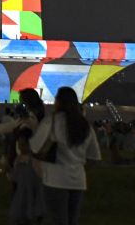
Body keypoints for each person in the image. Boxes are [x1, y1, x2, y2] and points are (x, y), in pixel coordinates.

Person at [29, 87, 100, 225]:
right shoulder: (84, 125)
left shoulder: (52, 121)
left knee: (58, 220)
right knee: (73, 220)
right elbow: (94, 157)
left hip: (55, 179)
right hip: (78, 181)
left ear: (59, 102)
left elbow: (35, 147)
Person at [8, 130, 44, 225]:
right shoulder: (18, 160)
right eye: (19, 144)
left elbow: (40, 181)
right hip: (21, 196)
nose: (20, 147)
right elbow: (14, 179)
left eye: (23, 144)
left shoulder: (36, 161)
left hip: (33, 196)